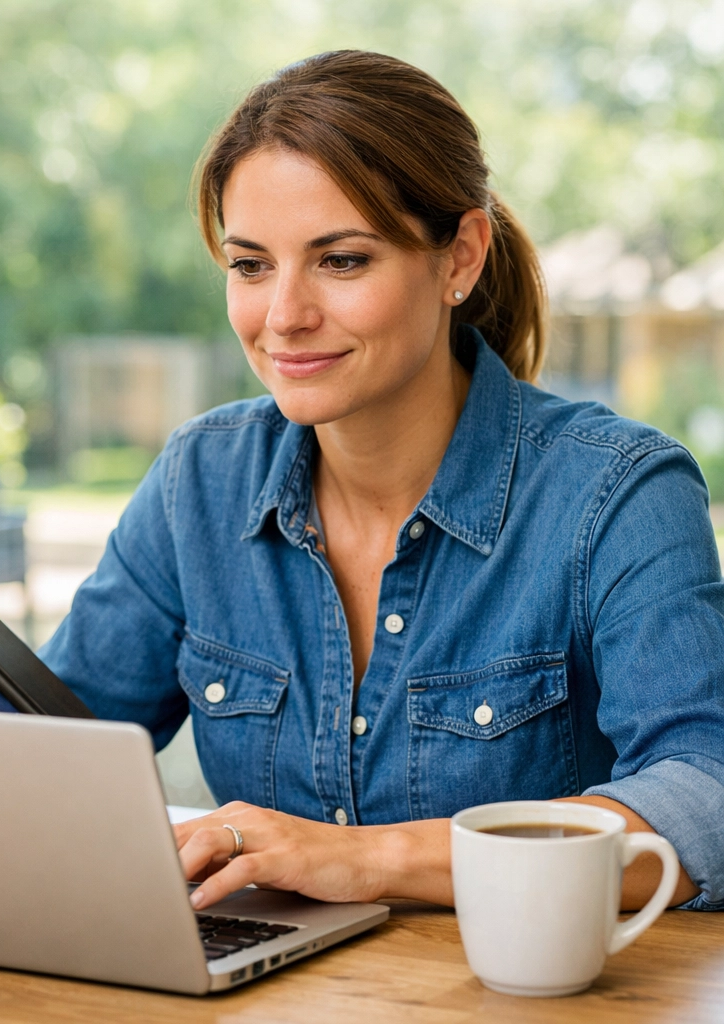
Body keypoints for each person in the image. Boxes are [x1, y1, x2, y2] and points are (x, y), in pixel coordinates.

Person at [39, 50, 723, 912]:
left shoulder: (616, 492)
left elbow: (707, 795)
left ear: (460, 258)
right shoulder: (200, 481)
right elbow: (43, 751)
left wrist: (360, 859)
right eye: (250, 265)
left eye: (342, 260)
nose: (283, 315)